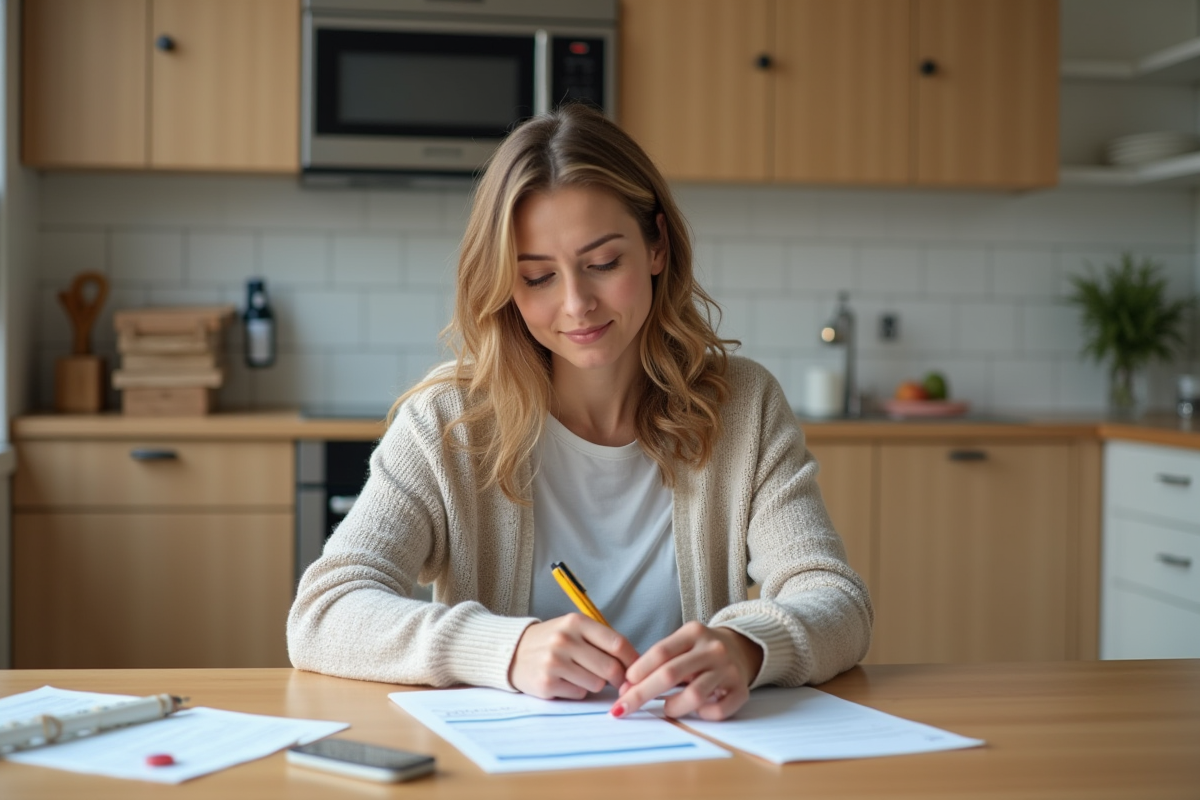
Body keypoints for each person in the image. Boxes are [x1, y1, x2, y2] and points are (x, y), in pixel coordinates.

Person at [287, 103, 872, 722]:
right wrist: (506, 648)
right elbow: (323, 613)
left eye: (602, 264)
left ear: (656, 247)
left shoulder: (743, 408)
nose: (576, 305)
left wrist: (748, 646)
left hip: (697, 763)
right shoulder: (447, 422)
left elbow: (836, 599)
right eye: (537, 277)